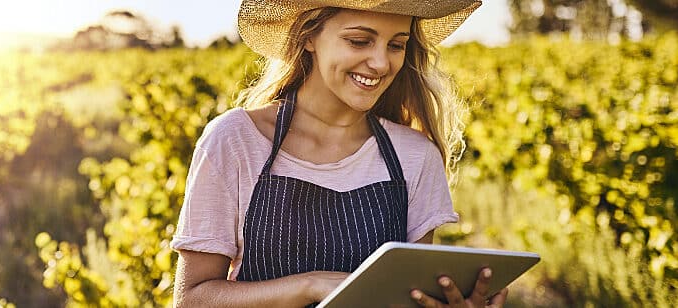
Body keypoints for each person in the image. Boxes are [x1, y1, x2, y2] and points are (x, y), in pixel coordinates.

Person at [170, 0, 508, 307]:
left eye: (396, 45)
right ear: (308, 37)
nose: (379, 63)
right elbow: (193, 299)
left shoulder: (414, 157)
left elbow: (408, 298)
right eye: (359, 41)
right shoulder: (235, 141)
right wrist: (311, 285)